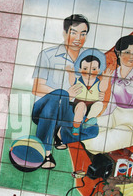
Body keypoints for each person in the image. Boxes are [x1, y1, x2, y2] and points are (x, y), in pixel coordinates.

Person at [31, 14, 98, 169]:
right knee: (59, 94)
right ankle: (44, 153)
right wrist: (67, 94)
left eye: (83, 34)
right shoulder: (48, 55)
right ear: (65, 33)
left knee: (93, 129)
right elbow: (37, 88)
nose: (78, 38)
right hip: (44, 111)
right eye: (74, 32)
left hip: (69, 113)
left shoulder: (90, 60)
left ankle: (61, 134)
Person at [68, 48, 112, 136]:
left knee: (99, 105)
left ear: (99, 71)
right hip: (79, 103)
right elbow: (72, 82)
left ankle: (87, 121)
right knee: (81, 106)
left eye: (94, 69)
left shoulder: (97, 83)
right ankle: (76, 126)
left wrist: (106, 79)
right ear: (80, 70)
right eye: (85, 68)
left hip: (92, 103)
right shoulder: (78, 80)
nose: (89, 72)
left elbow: (103, 88)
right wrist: (71, 74)